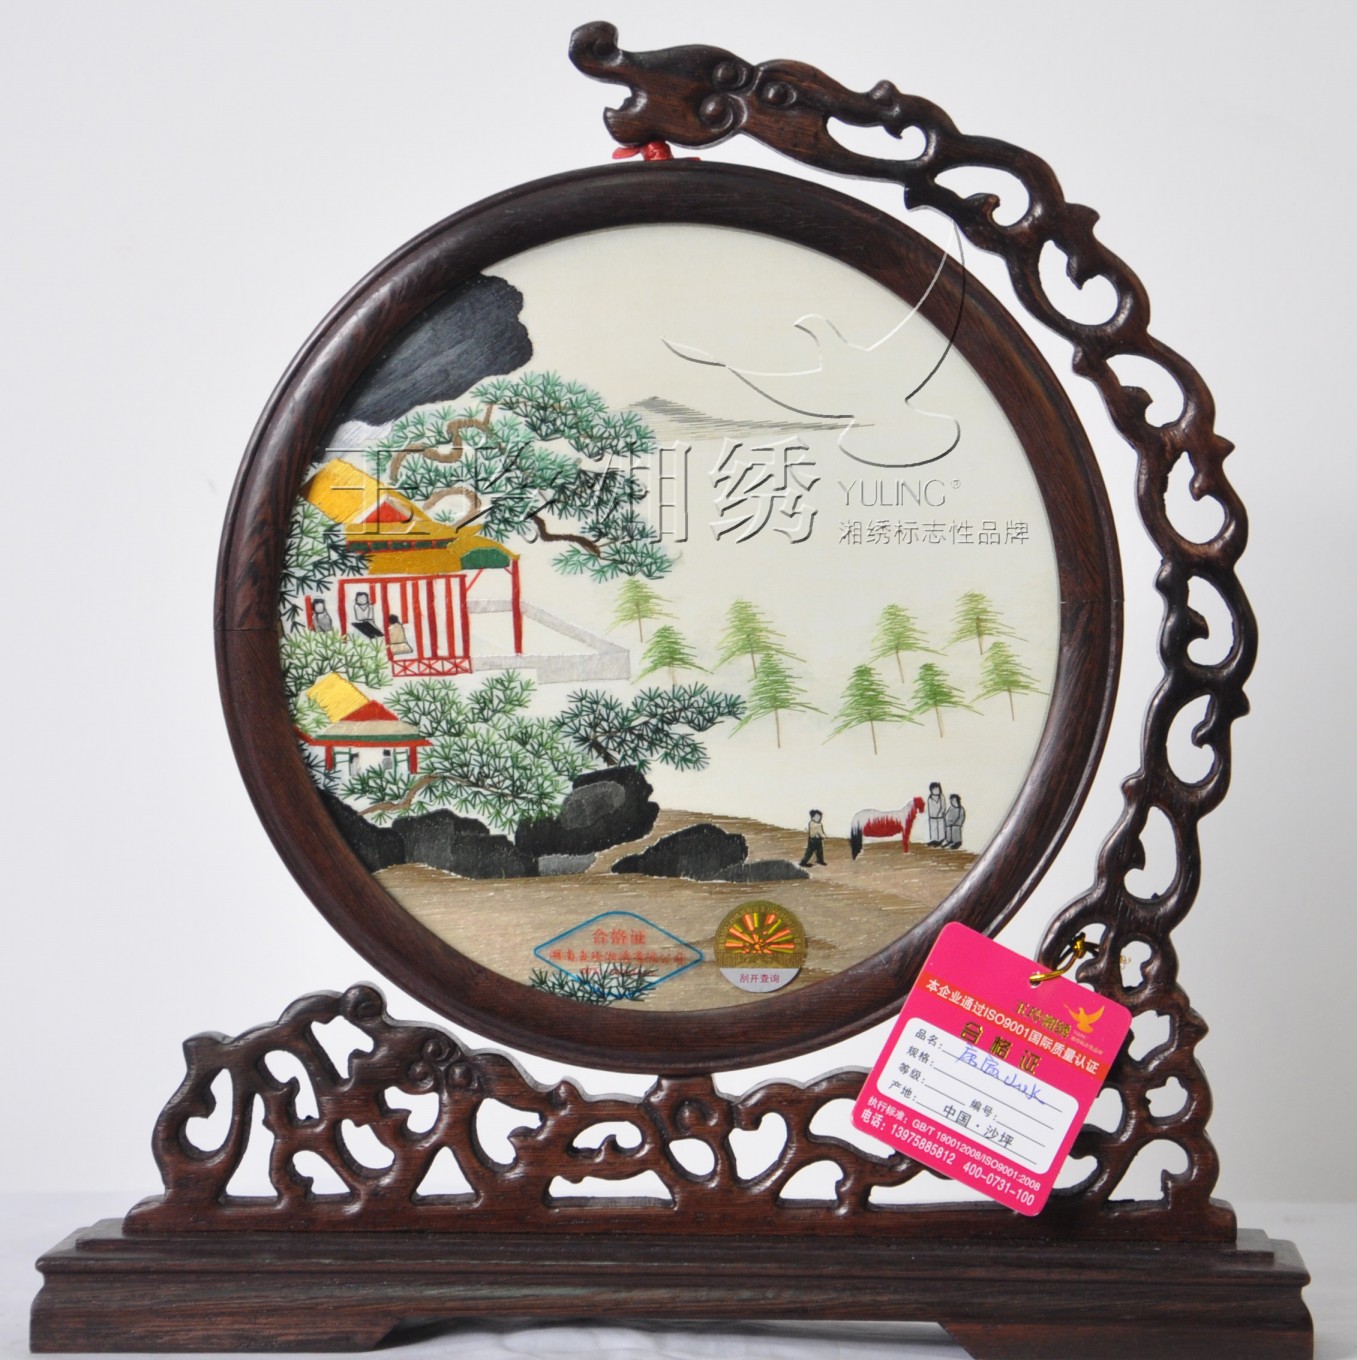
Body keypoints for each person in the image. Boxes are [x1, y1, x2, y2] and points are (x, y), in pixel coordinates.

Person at [926, 781, 945, 846]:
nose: (936, 791)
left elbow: (943, 806)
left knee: (940, 828)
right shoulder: (930, 798)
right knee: (933, 829)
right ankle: (934, 840)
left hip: (940, 817)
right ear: (931, 790)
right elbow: (930, 808)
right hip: (932, 817)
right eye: (934, 789)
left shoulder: (941, 797)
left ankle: (940, 840)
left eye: (938, 789)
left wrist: (941, 813)